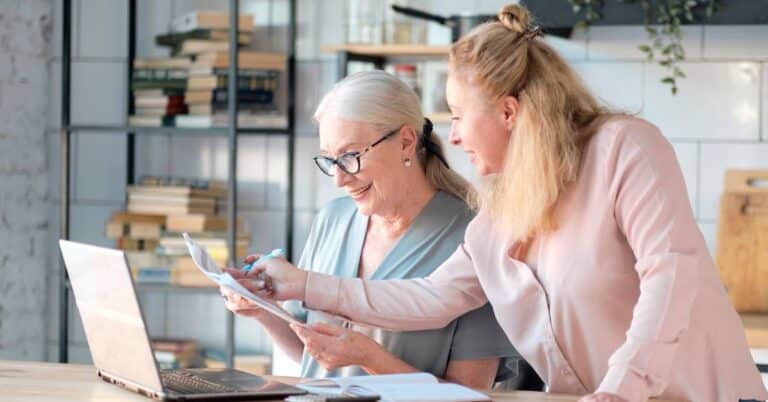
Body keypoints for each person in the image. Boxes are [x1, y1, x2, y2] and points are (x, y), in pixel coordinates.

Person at [234, 4, 768, 402]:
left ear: (508, 112)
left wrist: (618, 393)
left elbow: (669, 276)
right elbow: (426, 300)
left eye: (459, 115)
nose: (454, 136)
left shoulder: (624, 147)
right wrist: (300, 285)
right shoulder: (498, 218)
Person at [220, 70, 531, 389]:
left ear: (406, 143)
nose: (338, 179)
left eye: (350, 156)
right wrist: (263, 309)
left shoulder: (474, 236)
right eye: (330, 159)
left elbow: (468, 393)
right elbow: (313, 356)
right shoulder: (333, 219)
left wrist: (370, 358)